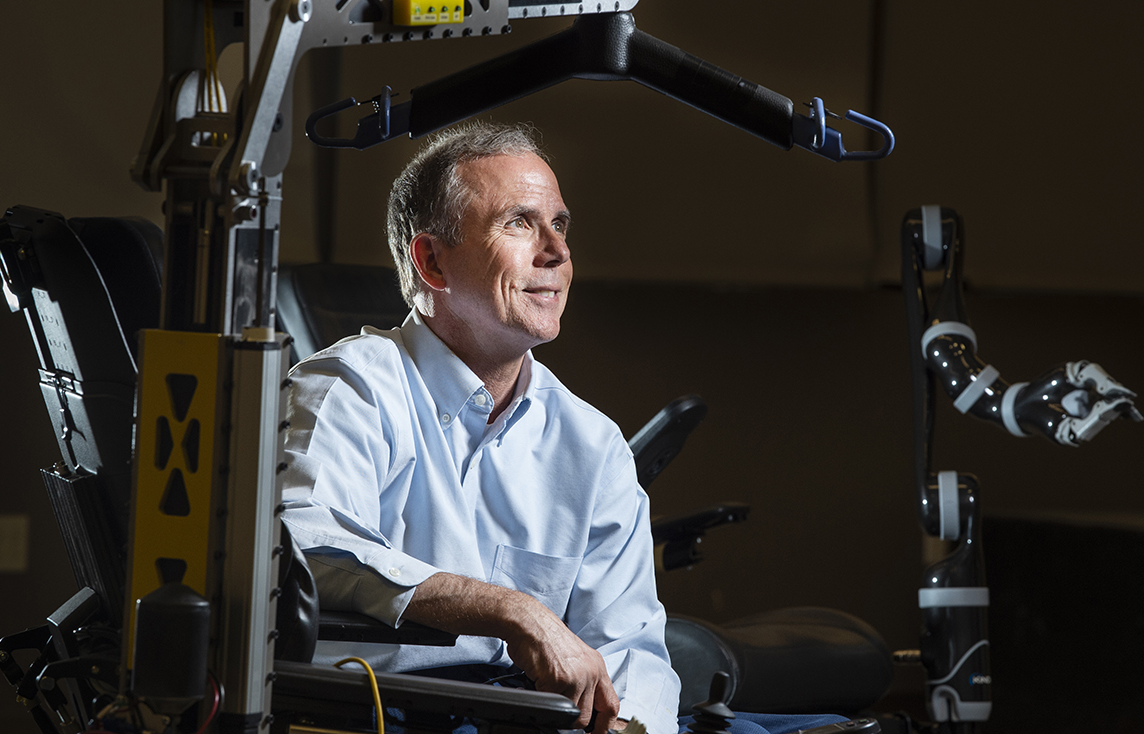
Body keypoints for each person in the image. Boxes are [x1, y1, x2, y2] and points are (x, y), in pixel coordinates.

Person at [279, 122, 850, 734]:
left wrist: (629, 724)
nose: (555, 251)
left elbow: (631, 644)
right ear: (432, 261)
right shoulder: (349, 387)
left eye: (560, 224)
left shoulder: (591, 442)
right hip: (387, 712)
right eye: (519, 223)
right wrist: (510, 611)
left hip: (535, 717)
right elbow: (308, 546)